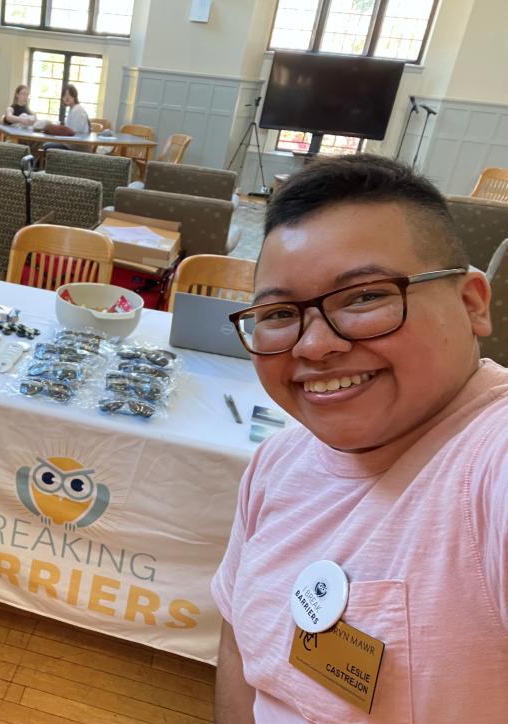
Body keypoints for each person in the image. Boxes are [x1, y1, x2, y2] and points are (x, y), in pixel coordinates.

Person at [212, 155, 506, 723]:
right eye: (278, 312)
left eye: (365, 297)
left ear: (472, 303)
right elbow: (237, 643)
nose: (314, 345)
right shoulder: (278, 461)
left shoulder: (490, 465)